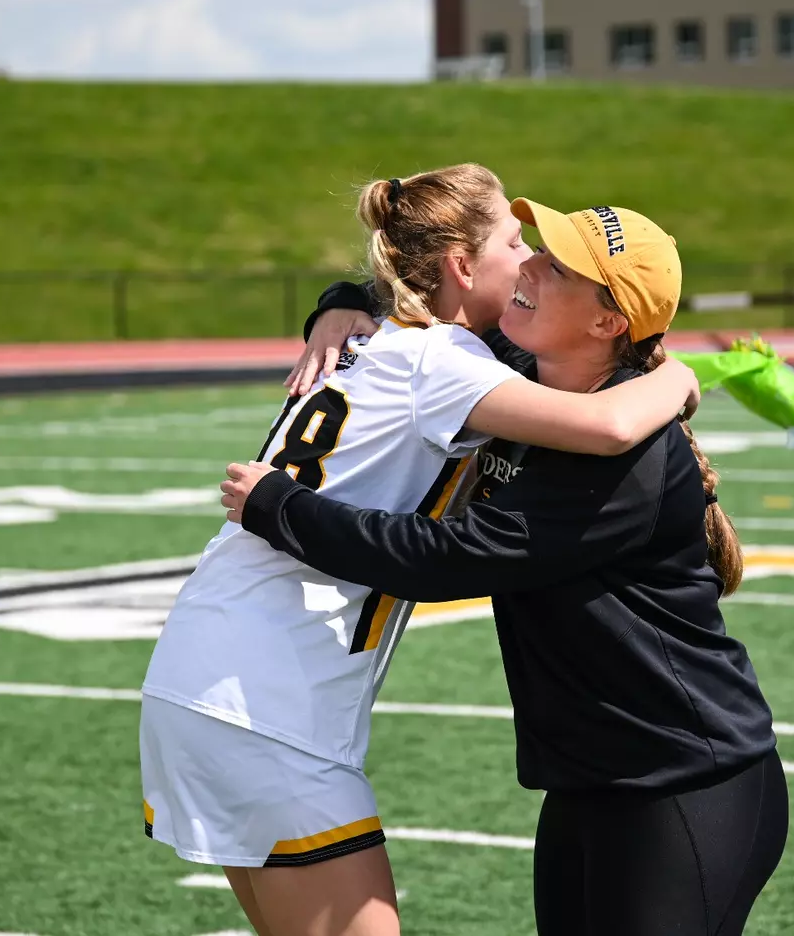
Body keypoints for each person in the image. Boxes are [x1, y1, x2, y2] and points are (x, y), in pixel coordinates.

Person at [139, 163, 700, 936]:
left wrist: (338, 303)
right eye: (515, 241)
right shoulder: (440, 360)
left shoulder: (402, 342)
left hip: (213, 667)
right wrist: (682, 378)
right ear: (463, 266)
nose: (530, 259)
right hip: (262, 696)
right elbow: (607, 427)